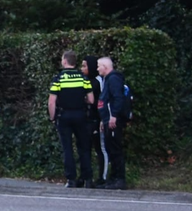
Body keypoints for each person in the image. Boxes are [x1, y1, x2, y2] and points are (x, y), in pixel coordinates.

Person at [48, 50, 95, 188]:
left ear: (64, 61)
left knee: (67, 148)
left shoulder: (58, 79)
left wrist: (52, 117)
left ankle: (71, 180)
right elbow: (91, 100)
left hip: (64, 116)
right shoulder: (83, 78)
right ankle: (87, 179)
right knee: (84, 148)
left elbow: (51, 102)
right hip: (81, 115)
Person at [97, 56, 130, 190]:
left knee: (115, 149)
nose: (97, 68)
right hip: (107, 118)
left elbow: (117, 98)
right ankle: (113, 178)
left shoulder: (113, 79)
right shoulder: (108, 79)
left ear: (105, 67)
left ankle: (120, 179)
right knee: (110, 149)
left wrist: (113, 116)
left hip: (113, 119)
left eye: (99, 66)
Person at [81, 55, 109, 186]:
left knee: (100, 148)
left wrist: (102, 119)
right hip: (87, 119)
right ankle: (86, 177)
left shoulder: (99, 81)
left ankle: (103, 177)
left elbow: (102, 101)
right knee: (85, 148)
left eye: (84, 66)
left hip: (97, 119)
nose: (82, 69)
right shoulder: (85, 80)